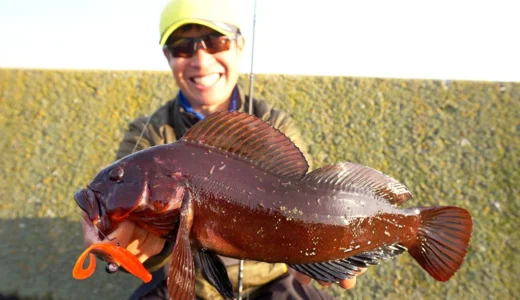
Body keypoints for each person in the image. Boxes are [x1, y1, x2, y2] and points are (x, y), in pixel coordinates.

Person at [80, 0, 367, 299]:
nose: (201, 60)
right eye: (182, 47)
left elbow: (306, 197)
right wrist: (117, 245)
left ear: (239, 46)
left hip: (273, 281)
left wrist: (324, 250)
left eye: (216, 42)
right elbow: (127, 226)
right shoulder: (148, 133)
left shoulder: (273, 123)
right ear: (167, 56)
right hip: (188, 283)